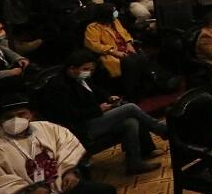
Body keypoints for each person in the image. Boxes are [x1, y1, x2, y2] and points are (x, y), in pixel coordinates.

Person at [39, 51, 167, 174]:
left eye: (90, 69)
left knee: (130, 122)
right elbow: (69, 114)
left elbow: (95, 90)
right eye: (86, 69)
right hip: (80, 128)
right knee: (130, 108)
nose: (88, 72)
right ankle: (162, 130)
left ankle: (134, 163)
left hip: (93, 119)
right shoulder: (58, 87)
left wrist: (109, 97)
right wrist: (98, 110)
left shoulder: (80, 77)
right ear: (72, 68)